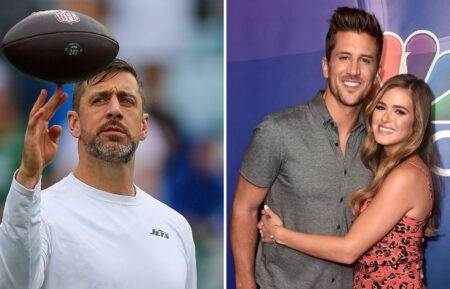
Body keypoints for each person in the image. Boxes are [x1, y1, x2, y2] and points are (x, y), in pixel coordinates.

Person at [0, 59, 197, 289]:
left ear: (144, 126)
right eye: (99, 100)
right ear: (74, 123)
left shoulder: (176, 227)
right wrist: (28, 175)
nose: (114, 110)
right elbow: (12, 283)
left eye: (127, 101)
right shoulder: (39, 214)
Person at [231, 6, 384, 289]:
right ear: (326, 65)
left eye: (365, 60)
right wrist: (244, 283)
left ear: (376, 72)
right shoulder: (277, 130)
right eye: (344, 58)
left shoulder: (380, 144)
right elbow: (244, 209)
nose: (353, 70)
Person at [258, 73, 439, 288]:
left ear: (416, 125)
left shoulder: (405, 175)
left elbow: (348, 251)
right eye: (381, 107)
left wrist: (278, 233)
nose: (386, 118)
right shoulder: (395, 167)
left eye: (399, 111)